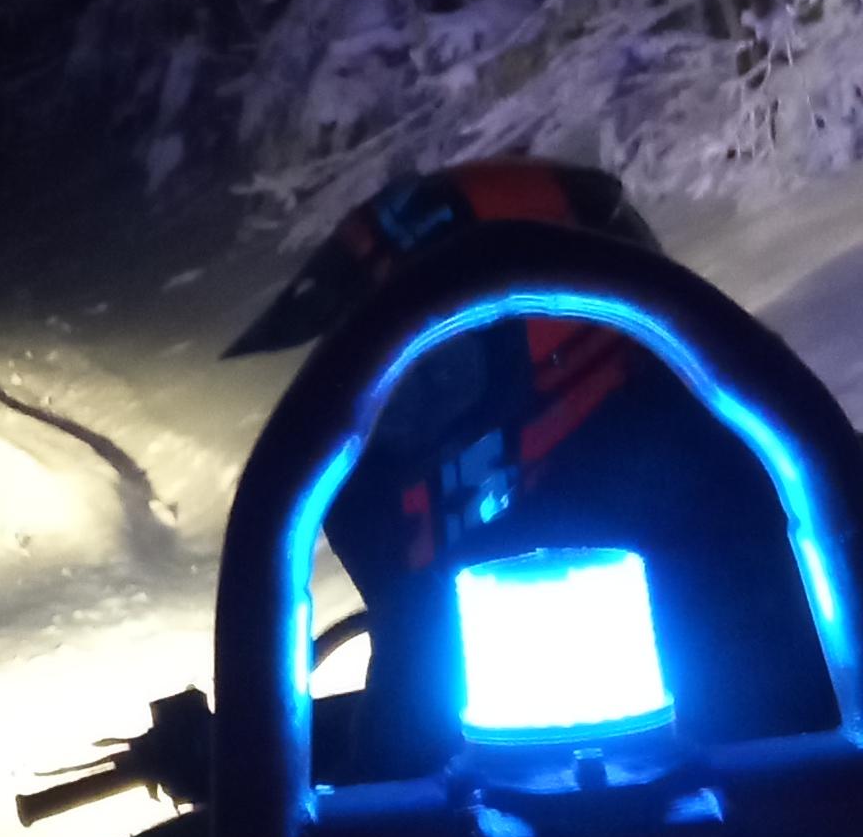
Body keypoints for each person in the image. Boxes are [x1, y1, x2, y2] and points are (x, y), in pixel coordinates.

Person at [255, 159, 834, 767]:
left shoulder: (774, 546)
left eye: (434, 374)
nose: (388, 423)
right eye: (385, 380)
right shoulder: (450, 605)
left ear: (569, 338)